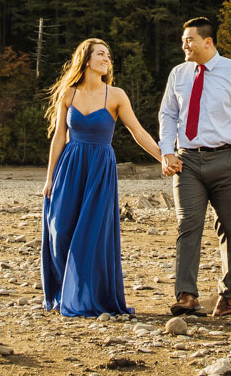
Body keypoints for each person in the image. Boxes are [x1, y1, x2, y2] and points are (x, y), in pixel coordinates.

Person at [39, 38, 167, 317]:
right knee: (59, 230)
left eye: (108, 54)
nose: (107, 58)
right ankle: (65, 293)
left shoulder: (117, 95)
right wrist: (49, 178)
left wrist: (163, 157)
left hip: (100, 169)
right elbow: (59, 136)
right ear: (85, 60)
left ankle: (87, 298)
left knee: (91, 234)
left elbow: (138, 132)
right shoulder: (68, 93)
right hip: (70, 166)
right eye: (100, 54)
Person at [158, 15, 231, 317]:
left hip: (225, 160)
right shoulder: (178, 74)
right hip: (186, 160)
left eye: (189, 40)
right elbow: (168, 115)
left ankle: (228, 295)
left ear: (208, 41)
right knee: (187, 226)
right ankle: (187, 296)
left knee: (229, 229)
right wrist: (167, 152)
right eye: (182, 41)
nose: (184, 45)